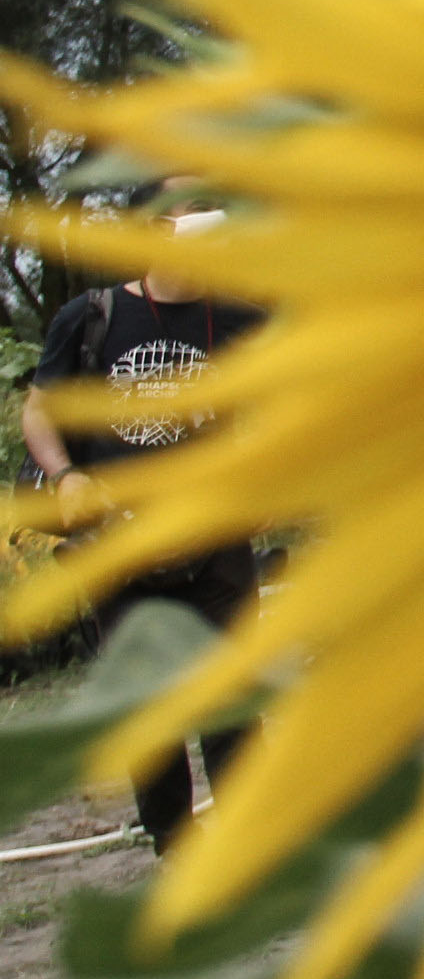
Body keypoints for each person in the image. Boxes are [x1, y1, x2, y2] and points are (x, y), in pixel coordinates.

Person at [18, 197, 265, 847]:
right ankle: (174, 847)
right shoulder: (91, 317)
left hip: (214, 540)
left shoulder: (238, 316)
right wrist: (66, 475)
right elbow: (40, 413)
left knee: (231, 698)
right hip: (117, 544)